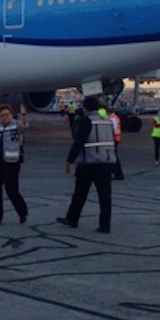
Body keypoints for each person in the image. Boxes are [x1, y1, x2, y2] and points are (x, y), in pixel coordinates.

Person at [56, 95, 116, 233]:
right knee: (105, 197)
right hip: (106, 162)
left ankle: (72, 218)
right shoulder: (107, 121)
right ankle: (105, 226)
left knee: (80, 193)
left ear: (86, 108)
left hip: (88, 162)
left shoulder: (86, 121)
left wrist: (69, 161)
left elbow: (79, 142)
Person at [0, 103, 28, 225]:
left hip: (12, 161)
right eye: (3, 115)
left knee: (11, 189)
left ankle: (22, 211)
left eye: (7, 115)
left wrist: (23, 114)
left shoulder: (16, 125)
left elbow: (25, 126)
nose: (5, 117)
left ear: (11, 115)